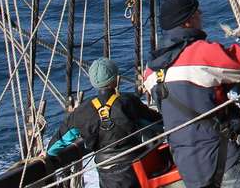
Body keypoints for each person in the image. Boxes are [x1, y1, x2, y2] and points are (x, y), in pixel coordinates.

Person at [143, 0, 240, 188]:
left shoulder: (150, 72)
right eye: (198, 13)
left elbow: (193, 92)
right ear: (188, 21)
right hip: (224, 160)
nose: (201, 16)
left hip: (189, 170)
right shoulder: (201, 54)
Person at [46, 57, 162, 188]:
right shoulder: (128, 102)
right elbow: (156, 122)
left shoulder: (82, 111)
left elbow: (57, 144)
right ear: (115, 80)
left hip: (107, 173)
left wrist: (49, 157)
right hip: (135, 166)